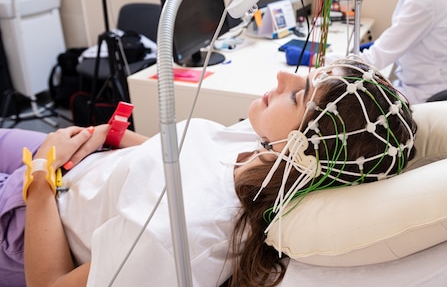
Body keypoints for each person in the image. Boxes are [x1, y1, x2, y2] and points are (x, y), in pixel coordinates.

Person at [0, 57, 416, 287]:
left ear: (303, 148)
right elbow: (175, 160)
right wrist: (109, 135)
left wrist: (40, 178)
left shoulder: (179, 236)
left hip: (31, 216)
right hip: (76, 157)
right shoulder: (260, 150)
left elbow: (50, 285)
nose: (282, 75)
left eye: (298, 95)